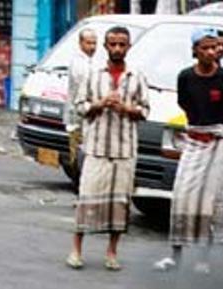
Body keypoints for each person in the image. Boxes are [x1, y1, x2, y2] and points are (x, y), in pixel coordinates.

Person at [156, 28, 223, 272]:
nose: (212, 52)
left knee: (208, 202)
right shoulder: (185, 77)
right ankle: (175, 256)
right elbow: (185, 104)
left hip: (217, 143)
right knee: (182, 197)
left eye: (215, 47)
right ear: (195, 51)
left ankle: (204, 259)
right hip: (193, 141)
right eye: (206, 48)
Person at [67, 25, 150, 272]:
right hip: (97, 147)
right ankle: (76, 249)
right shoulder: (94, 75)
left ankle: (112, 252)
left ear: (128, 47)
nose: (117, 48)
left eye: (121, 44)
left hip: (125, 149)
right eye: (112, 44)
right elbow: (80, 105)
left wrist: (127, 109)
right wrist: (100, 104)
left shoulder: (136, 76)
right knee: (87, 197)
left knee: (119, 203)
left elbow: (145, 110)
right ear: (105, 47)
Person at [66, 27, 98, 169]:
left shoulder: (91, 61)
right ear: (81, 43)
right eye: (89, 43)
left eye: (94, 43)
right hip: (78, 117)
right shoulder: (79, 63)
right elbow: (82, 90)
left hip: (86, 117)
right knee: (79, 154)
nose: (92, 47)